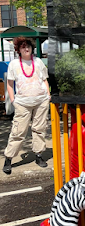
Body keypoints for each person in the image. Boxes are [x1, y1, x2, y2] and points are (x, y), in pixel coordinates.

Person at [3, 37, 51, 175]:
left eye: (28, 46)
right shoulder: (14, 64)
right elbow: (10, 84)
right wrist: (13, 101)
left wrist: (47, 95)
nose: (26, 48)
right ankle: (8, 158)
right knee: (18, 131)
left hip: (41, 100)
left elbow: (44, 79)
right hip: (22, 103)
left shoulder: (38, 61)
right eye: (23, 46)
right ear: (18, 49)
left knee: (40, 129)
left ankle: (39, 155)